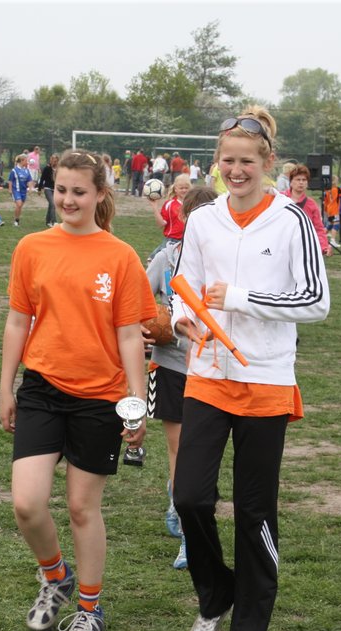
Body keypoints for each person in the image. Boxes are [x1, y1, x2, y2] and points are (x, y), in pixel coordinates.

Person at [172, 107, 330, 631]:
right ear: (217, 164)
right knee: (190, 497)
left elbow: (316, 301)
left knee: (253, 510)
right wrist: (183, 317)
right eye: (227, 161)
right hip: (208, 376)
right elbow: (184, 284)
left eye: (247, 161)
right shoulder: (203, 219)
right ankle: (215, 596)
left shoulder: (292, 220)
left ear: (268, 162)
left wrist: (240, 298)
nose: (236, 171)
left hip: (265, 379)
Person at [0, 149, 155, 631]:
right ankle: (56, 576)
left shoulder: (120, 256)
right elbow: (18, 321)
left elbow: (130, 335)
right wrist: (5, 386)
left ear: (100, 194)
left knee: (82, 508)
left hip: (100, 397)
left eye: (79, 192)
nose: (68, 200)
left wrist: (137, 402)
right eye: (61, 190)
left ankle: (89, 609)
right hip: (42, 389)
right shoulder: (32, 247)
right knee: (27, 504)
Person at [143, 185, 217, 571]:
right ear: (184, 219)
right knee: (179, 449)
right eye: (194, 217)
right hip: (171, 364)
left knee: (201, 450)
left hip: (213, 368)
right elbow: (139, 298)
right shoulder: (166, 257)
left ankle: (181, 499)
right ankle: (189, 532)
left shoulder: (227, 262)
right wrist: (149, 325)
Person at [286, 165, 330, 254]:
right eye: (298, 179)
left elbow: (318, 228)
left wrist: (323, 246)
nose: (301, 182)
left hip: (302, 247)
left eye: (304, 180)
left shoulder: (311, 204)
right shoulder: (279, 199)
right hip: (282, 246)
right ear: (291, 182)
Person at [149, 173, 191, 256]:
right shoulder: (170, 204)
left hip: (189, 241)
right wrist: (154, 207)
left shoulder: (194, 203)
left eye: (186, 188)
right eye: (181, 188)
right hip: (172, 241)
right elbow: (161, 224)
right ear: (175, 189)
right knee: (155, 260)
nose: (184, 190)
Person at [9, 154, 33, 227]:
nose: (27, 162)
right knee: (19, 204)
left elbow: (29, 180)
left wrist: (30, 188)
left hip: (23, 191)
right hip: (16, 190)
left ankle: (17, 219)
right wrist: (10, 190)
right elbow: (10, 180)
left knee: (20, 207)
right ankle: (16, 221)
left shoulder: (26, 170)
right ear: (22, 161)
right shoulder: (14, 170)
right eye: (26, 160)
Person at [37, 153, 59, 228]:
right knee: (53, 204)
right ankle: (54, 221)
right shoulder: (47, 168)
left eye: (56, 161)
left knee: (51, 205)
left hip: (55, 189)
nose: (54, 162)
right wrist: (39, 189)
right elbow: (42, 178)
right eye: (53, 161)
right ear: (51, 160)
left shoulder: (59, 169)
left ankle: (48, 221)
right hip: (48, 188)